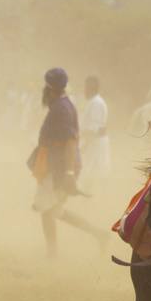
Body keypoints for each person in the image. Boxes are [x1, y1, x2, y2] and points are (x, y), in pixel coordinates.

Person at [28, 68, 106, 256]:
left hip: (59, 168)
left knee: (46, 209)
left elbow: (71, 142)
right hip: (56, 166)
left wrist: (69, 174)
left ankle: (52, 255)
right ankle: (99, 234)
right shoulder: (60, 105)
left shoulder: (62, 108)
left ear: (51, 89)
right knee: (55, 211)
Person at [79, 75, 110, 193]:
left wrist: (83, 143)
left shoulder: (96, 103)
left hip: (95, 143)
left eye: (85, 87)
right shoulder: (93, 102)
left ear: (91, 87)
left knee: (92, 173)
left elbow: (93, 129)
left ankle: (92, 199)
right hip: (92, 143)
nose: (84, 90)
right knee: (89, 172)